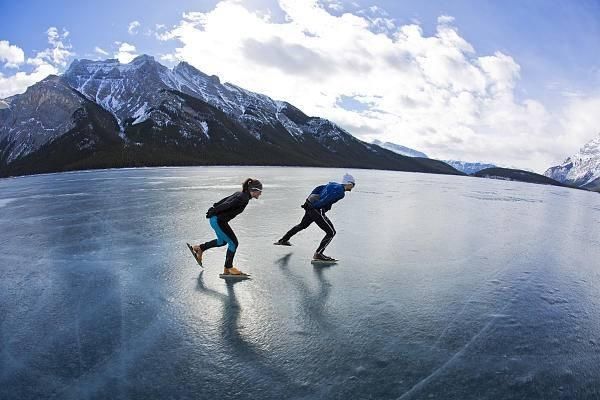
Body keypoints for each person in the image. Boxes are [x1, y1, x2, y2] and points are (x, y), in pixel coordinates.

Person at [188, 178, 263, 276]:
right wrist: (214, 211)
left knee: (222, 241)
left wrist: (214, 208)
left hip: (216, 219)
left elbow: (224, 201)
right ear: (254, 190)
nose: (260, 194)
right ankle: (228, 268)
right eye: (260, 191)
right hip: (218, 220)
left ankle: (199, 248)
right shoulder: (243, 198)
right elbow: (228, 204)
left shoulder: (240, 194)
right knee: (233, 243)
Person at [274, 173, 355, 261]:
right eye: (353, 185)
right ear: (349, 183)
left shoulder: (333, 184)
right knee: (331, 232)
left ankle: (283, 240)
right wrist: (315, 206)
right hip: (316, 208)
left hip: (311, 206)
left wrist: (307, 202)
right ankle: (318, 254)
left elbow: (318, 188)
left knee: (302, 225)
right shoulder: (340, 192)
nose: (353, 187)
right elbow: (326, 199)